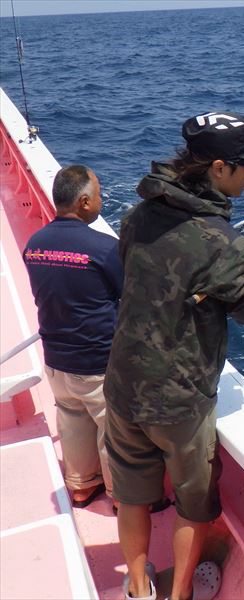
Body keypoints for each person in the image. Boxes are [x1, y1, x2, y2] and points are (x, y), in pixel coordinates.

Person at [103, 111, 244, 600]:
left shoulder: (137, 216)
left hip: (121, 385)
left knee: (132, 496)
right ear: (219, 168)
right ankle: (181, 593)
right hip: (178, 402)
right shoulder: (223, 243)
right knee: (194, 504)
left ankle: (139, 587)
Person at [22, 164, 121, 508]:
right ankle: (121, 498)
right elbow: (130, 295)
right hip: (97, 363)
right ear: (84, 202)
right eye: (99, 194)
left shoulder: (34, 244)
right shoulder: (105, 248)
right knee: (113, 431)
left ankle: (81, 486)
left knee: (73, 420)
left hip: (56, 361)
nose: (102, 200)